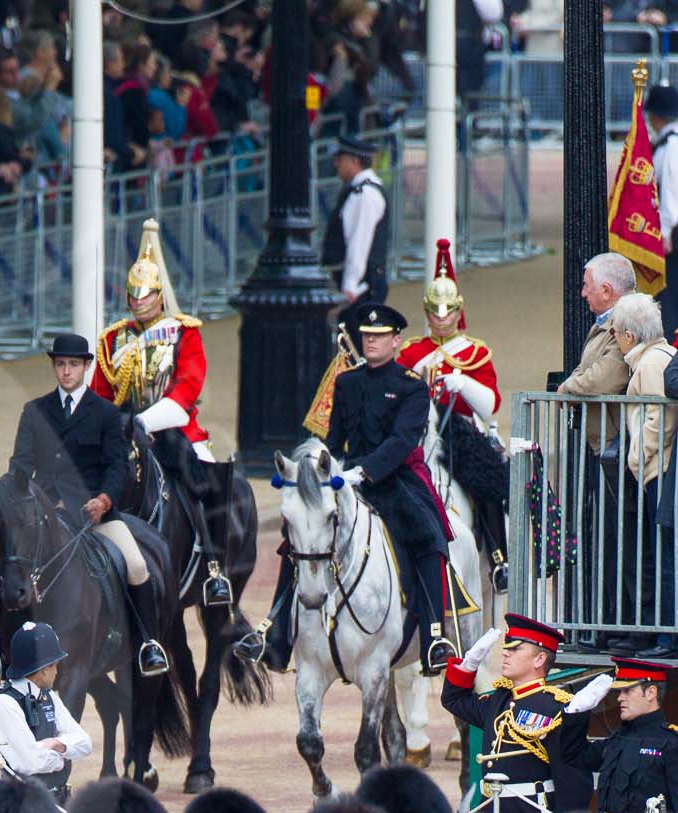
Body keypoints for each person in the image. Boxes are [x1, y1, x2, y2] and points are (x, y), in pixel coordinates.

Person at [245, 304, 454, 674]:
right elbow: (334, 438)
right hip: (344, 480)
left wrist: (364, 472)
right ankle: (276, 636)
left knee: (429, 536)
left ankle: (435, 635)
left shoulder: (411, 386)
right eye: (367, 336)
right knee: (295, 535)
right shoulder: (347, 382)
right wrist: (317, 468)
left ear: (396, 340)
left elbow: (403, 441)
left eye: (379, 336)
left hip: (394, 479)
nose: (371, 342)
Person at [91, 219, 235, 609]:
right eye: (133, 295)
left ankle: (215, 569)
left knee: (205, 478)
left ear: (159, 295)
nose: (139, 301)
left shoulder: (184, 333)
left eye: (146, 295)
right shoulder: (112, 339)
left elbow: (188, 388)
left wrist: (144, 423)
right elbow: (101, 394)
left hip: (171, 428)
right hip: (123, 432)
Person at [13, 331, 170, 678]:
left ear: (86, 366)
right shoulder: (34, 411)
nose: (66, 371)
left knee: (136, 565)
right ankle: (1, 648)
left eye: (72, 364)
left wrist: (104, 499)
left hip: (93, 513)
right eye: (60, 365)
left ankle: (148, 644)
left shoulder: (105, 413)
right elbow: (21, 465)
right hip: (45, 514)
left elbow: (118, 465)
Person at [441, 615, 611, 813]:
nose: (505, 653)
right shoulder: (499, 700)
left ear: (539, 659)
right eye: (506, 648)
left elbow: (571, 775)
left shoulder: (554, 707)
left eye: (515, 649)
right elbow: (454, 701)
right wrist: (468, 664)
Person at [400, 238, 510, 592]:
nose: (442, 318)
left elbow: (490, 404)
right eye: (435, 311)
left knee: (486, 480)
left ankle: (497, 558)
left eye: (448, 311)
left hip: (462, 433)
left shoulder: (474, 352)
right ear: (427, 311)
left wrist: (461, 382)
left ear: (458, 309)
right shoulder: (410, 352)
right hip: (420, 430)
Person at [610, 291, 676, 654]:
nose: (616, 340)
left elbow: (658, 419)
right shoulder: (655, 358)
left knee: (664, 556)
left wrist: (638, 460)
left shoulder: (651, 364)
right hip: (659, 470)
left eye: (617, 332)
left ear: (630, 335)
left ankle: (667, 638)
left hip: (659, 473)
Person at [0, 620, 91, 802]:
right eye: (55, 665)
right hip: (20, 810)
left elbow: (85, 744)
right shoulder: (3, 705)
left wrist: (56, 744)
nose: (57, 671)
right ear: (44, 671)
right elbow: (30, 763)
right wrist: (62, 759)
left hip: (57, 802)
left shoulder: (48, 696)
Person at [581, 659, 678, 813]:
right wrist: (576, 713)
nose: (619, 698)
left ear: (650, 693)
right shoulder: (617, 739)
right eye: (619, 692)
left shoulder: (671, 742)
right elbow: (575, 756)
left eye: (627, 691)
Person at [324, 134, 389, 309]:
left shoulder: (364, 194)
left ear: (354, 161)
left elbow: (359, 241)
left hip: (362, 287)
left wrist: (350, 284)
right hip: (363, 283)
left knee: (355, 334)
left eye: (340, 159)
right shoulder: (360, 191)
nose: (336, 163)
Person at [558, 252, 636, 398]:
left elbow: (605, 379)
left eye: (587, 285)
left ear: (606, 291)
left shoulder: (628, 325)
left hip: (611, 420)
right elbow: (584, 367)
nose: (583, 293)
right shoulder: (606, 322)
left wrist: (566, 388)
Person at [647, 84, 678, 342]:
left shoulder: (671, 145)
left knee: (668, 293)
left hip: (672, 232)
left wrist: (666, 230)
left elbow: (670, 190)